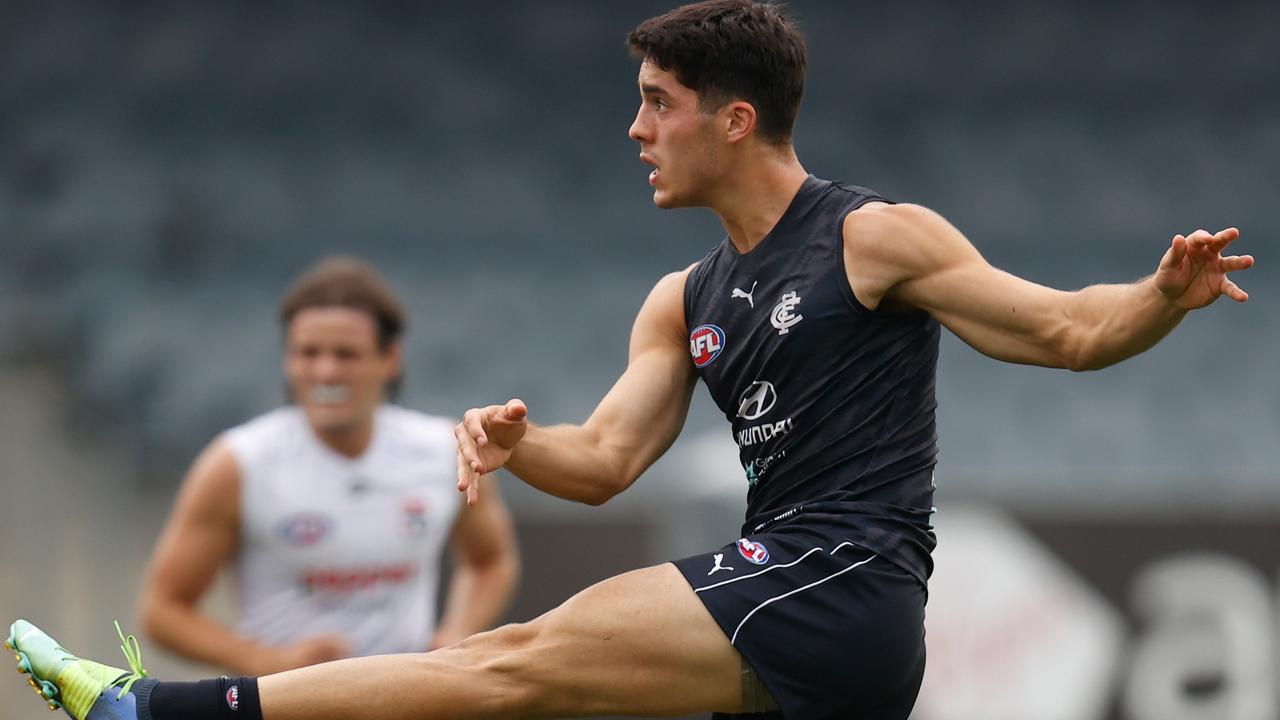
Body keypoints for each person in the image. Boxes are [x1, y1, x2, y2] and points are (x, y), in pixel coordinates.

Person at [7, 1, 1254, 719]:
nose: (634, 127)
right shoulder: (684, 297)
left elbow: (1065, 332)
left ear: (734, 117)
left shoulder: (871, 238)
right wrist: (519, 444)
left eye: (657, 101)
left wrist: (1158, 294)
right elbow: (603, 461)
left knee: (511, 666)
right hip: (805, 623)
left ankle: (149, 713)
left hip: (836, 584)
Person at [138, 256, 520, 674]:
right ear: (287, 360)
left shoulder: (444, 449)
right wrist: (267, 661)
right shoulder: (238, 463)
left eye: (346, 354)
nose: (325, 371)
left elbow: (491, 561)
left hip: (408, 706)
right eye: (308, 353)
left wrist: (454, 637)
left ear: (389, 359)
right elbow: (163, 611)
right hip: (286, 708)